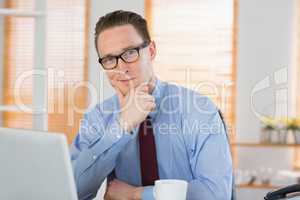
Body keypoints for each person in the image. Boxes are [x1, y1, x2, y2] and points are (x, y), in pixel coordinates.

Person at [70, 10, 233, 200]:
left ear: (151, 51)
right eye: (109, 59)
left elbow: (216, 193)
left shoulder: (199, 110)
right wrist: (121, 126)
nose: (121, 68)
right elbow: (73, 191)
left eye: (130, 53)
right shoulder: (98, 117)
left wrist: (136, 194)